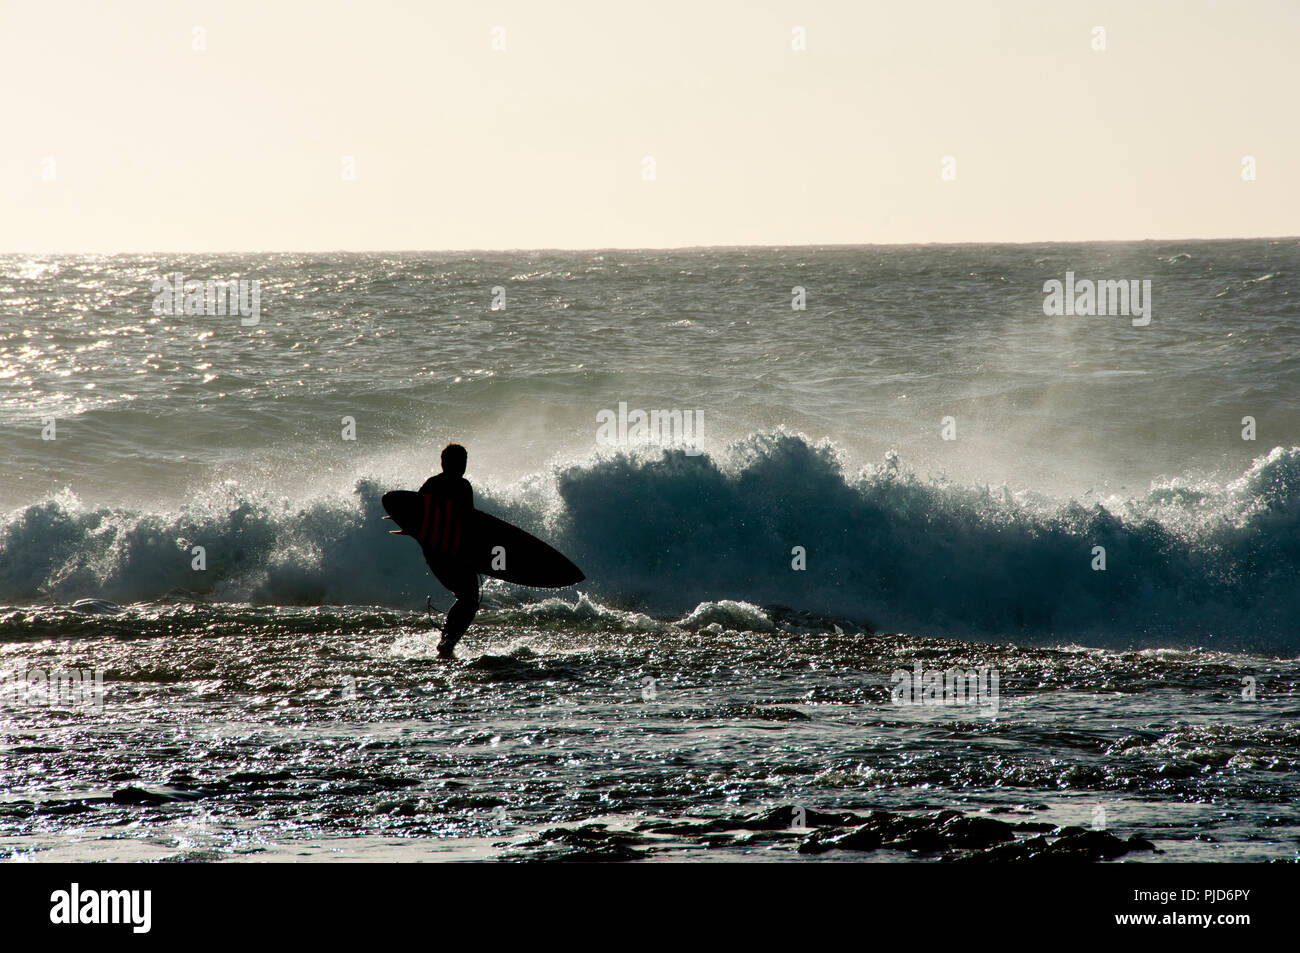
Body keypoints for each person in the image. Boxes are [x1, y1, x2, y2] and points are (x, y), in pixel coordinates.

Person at [418, 443, 479, 659]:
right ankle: (446, 645)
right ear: (454, 464)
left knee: (467, 597)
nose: (463, 467)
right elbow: (467, 523)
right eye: (461, 462)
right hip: (454, 553)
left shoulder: (430, 484)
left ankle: (446, 643)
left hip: (434, 555)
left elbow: (416, 518)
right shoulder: (462, 486)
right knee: (470, 599)